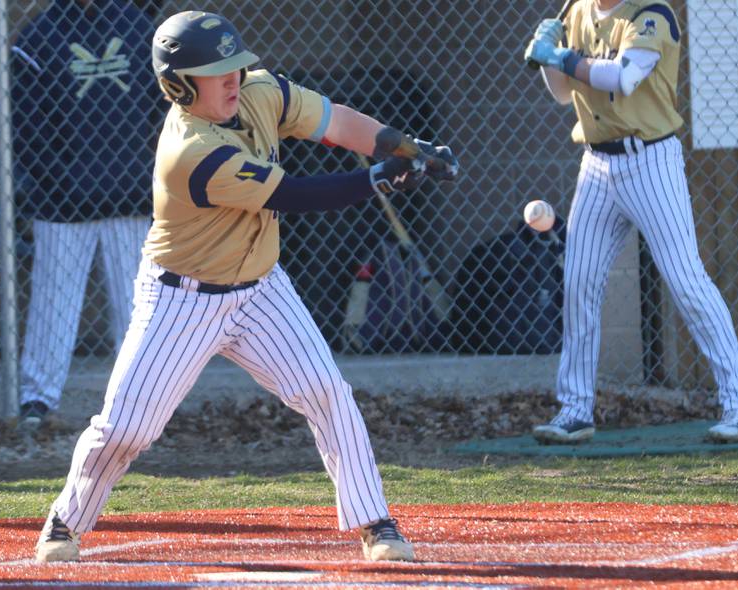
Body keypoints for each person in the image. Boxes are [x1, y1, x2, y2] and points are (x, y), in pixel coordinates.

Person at [34, 10, 458, 564]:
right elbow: (294, 195)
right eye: (217, 72)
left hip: (260, 288)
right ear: (180, 85)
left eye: (235, 66)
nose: (233, 79)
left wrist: (405, 147)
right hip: (181, 300)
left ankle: (376, 523)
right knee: (127, 428)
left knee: (327, 391)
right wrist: (378, 178)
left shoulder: (262, 91)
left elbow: (334, 122)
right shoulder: (190, 151)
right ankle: (66, 521)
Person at [524, 0, 738, 444]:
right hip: (596, 165)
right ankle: (575, 410)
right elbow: (562, 93)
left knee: (686, 281)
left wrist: (563, 57)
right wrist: (547, 57)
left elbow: (624, 77)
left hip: (650, 161)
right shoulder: (577, 11)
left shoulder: (652, 13)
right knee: (578, 282)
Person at [10, 0, 161, 427]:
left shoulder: (138, 26)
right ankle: (37, 400)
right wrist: (61, 181)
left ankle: (141, 399)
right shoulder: (39, 36)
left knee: (138, 303)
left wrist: (146, 171)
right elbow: (26, 126)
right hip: (61, 202)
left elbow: (164, 109)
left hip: (130, 197)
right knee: (53, 301)